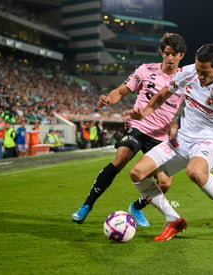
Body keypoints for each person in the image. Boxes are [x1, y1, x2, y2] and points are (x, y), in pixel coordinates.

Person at [128, 43, 213, 241]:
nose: (199, 76)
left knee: (195, 171)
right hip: (182, 138)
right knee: (137, 173)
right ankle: (173, 219)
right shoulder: (187, 72)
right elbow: (162, 95)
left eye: (205, 72)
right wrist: (144, 113)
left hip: (210, 139)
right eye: (198, 69)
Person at [71, 33, 187, 225]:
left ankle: (136, 207)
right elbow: (121, 90)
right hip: (138, 126)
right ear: (162, 52)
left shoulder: (185, 80)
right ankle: (86, 205)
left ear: (181, 55)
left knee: (165, 183)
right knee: (121, 157)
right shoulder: (145, 70)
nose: (170, 58)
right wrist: (109, 98)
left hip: (160, 136)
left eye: (175, 54)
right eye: (167, 53)